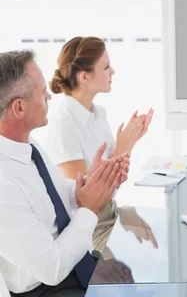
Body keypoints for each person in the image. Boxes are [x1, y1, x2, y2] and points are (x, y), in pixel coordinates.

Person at [0, 50, 130, 297]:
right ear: (19, 107)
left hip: (74, 264)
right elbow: (52, 269)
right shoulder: (3, 184)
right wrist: (90, 208)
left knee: (138, 279)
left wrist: (91, 181)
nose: (49, 96)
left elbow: (57, 194)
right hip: (48, 287)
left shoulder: (28, 146)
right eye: (41, 92)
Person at [44, 36, 153, 251]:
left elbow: (114, 179)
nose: (112, 72)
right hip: (89, 230)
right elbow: (84, 201)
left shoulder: (97, 114)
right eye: (106, 67)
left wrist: (129, 142)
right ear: (85, 76)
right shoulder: (64, 125)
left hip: (110, 214)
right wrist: (123, 146)